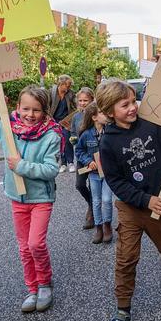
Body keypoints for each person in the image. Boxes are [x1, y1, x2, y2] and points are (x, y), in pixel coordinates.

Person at [97, 80, 161, 321]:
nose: (132, 108)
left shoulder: (150, 125)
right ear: (109, 111)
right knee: (126, 259)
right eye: (124, 105)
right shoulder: (108, 142)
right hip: (131, 208)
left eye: (133, 101)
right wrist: (144, 200)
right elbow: (115, 181)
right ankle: (123, 308)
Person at [0, 85, 62, 313]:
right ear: (17, 107)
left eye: (36, 110)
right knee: (23, 248)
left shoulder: (51, 134)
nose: (30, 115)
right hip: (17, 198)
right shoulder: (7, 128)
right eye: (25, 108)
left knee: (35, 244)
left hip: (41, 198)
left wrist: (22, 166)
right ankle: (31, 288)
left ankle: (44, 284)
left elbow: (51, 169)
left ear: (45, 111)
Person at [75, 101, 113, 244]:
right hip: (94, 174)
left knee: (107, 200)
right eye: (102, 112)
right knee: (96, 201)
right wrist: (88, 161)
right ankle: (98, 227)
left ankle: (107, 225)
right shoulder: (86, 135)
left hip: (108, 174)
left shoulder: (110, 131)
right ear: (94, 117)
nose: (106, 115)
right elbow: (79, 150)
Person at [70, 87, 96, 230]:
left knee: (94, 186)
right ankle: (91, 204)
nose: (82, 103)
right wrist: (73, 139)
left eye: (85, 100)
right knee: (79, 185)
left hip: (95, 157)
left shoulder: (96, 114)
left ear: (92, 100)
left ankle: (92, 213)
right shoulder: (75, 117)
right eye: (80, 100)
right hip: (81, 157)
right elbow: (73, 133)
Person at [49, 75, 76, 173]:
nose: (69, 88)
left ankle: (71, 162)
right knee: (59, 142)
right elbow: (47, 107)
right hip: (54, 121)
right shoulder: (51, 92)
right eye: (68, 85)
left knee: (67, 140)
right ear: (62, 84)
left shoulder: (70, 94)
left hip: (66, 121)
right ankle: (63, 163)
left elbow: (75, 105)